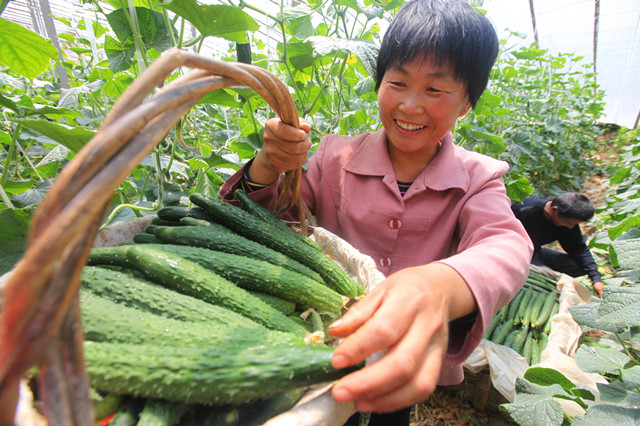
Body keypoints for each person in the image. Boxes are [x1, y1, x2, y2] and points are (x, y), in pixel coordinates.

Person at [219, 0, 533, 423]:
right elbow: (272, 216)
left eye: (435, 90)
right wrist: (269, 165)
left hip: (404, 346)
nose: (409, 105)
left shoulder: (479, 178)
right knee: (332, 410)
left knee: (391, 413)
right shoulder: (334, 156)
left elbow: (505, 243)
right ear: (379, 82)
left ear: (466, 104)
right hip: (326, 332)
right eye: (397, 83)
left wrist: (441, 285)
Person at [511, 193, 604, 297]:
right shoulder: (522, 210)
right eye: (570, 223)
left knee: (577, 267)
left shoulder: (567, 221)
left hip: (534, 252)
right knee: (542, 273)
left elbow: (579, 249)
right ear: (554, 210)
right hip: (511, 253)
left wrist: (596, 278)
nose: (570, 227)